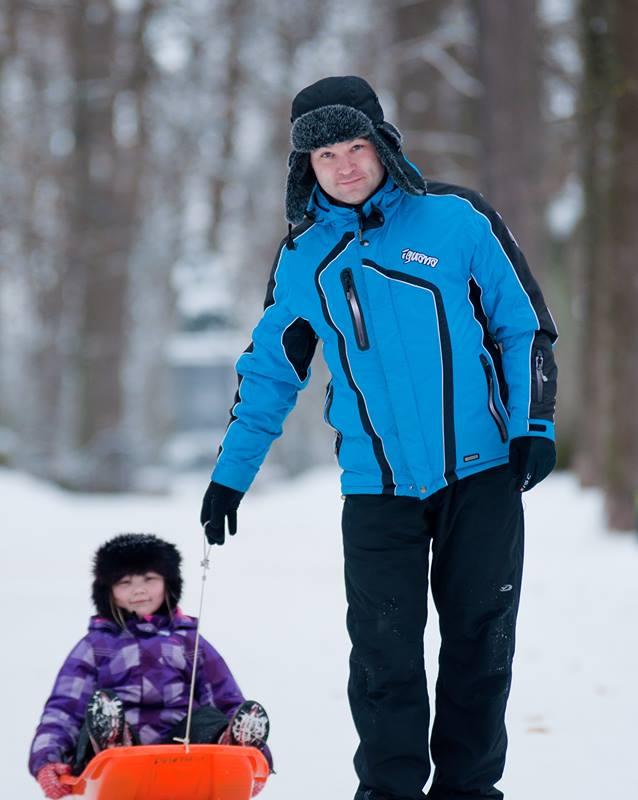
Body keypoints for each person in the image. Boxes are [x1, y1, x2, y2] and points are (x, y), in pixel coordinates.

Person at [200, 75, 558, 800]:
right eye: (326, 155)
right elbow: (270, 374)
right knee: (384, 658)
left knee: (479, 648)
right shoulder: (303, 259)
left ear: (382, 144)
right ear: (307, 166)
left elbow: (523, 327)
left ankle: (468, 790)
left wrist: (534, 424)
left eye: (355, 145)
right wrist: (230, 475)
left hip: (481, 476)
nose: (345, 165)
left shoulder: (456, 221)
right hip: (378, 490)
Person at [29, 533, 271, 799]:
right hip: (113, 760)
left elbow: (225, 696)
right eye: (125, 582)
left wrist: (254, 760)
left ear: (168, 584)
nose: (139, 590)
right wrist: (47, 760)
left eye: (149, 579)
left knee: (210, 718)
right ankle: (112, 740)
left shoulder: (189, 642)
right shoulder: (97, 645)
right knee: (97, 712)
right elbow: (64, 708)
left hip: (184, 751)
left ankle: (233, 745)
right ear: (108, 591)